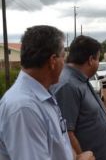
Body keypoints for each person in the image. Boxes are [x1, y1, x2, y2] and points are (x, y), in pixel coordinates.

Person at [0, 25, 95, 160]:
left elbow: (57, 146)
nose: (65, 62)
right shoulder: (24, 108)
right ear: (52, 61)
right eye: (63, 56)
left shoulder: (43, 94)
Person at [51, 35, 106, 160]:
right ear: (91, 60)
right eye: (97, 58)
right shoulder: (68, 85)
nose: (98, 62)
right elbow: (67, 133)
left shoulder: (79, 79)